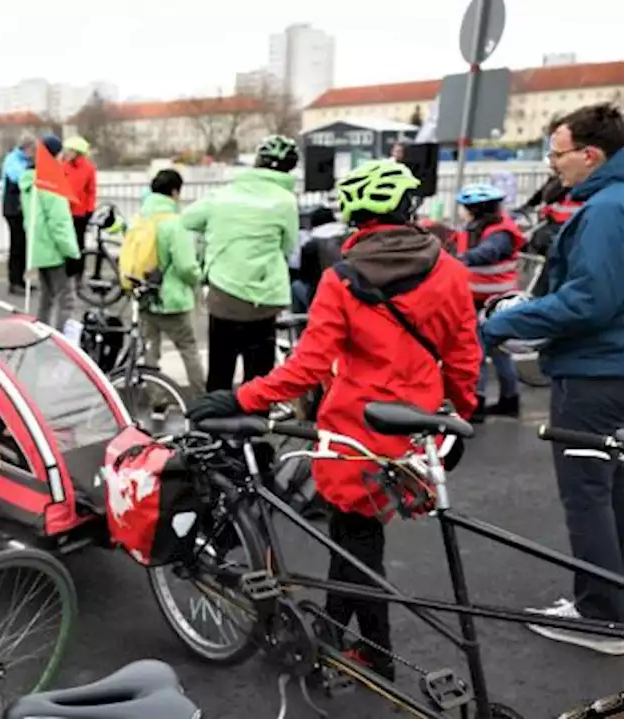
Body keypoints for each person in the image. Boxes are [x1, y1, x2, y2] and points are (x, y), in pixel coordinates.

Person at [188, 159, 481, 678]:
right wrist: (459, 419)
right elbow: (463, 360)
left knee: (357, 542)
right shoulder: (453, 273)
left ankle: (374, 654)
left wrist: (243, 398)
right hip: (417, 432)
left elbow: (308, 366)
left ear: (355, 217)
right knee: (358, 538)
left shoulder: (341, 280)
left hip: (355, 433)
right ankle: (340, 637)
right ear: (409, 211)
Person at [481, 103, 625, 654]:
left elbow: (591, 299)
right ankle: (611, 601)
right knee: (614, 492)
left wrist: (505, 322)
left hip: (595, 373)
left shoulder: (607, 209)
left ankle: (602, 618)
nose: (552, 162)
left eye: (557, 152)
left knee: (589, 496)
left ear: (591, 154)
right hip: (612, 367)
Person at [181, 135, 301, 391]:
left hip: (223, 295)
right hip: (263, 298)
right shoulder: (286, 201)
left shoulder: (222, 194)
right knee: (258, 380)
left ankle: (212, 426)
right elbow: (289, 246)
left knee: (220, 371)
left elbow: (187, 220)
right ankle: (254, 428)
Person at [452, 183, 527, 421]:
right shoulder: (474, 229)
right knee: (495, 352)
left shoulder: (499, 232)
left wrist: (457, 260)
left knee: (480, 352)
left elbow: (488, 253)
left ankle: (478, 404)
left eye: (465, 207)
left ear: (476, 209)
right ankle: (508, 400)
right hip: (475, 299)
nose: (462, 212)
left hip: (494, 303)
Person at [134, 170, 205, 391]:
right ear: (175, 192)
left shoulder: (139, 219)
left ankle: (156, 401)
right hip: (172, 298)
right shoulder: (174, 223)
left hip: (145, 294)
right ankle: (200, 399)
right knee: (188, 349)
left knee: (150, 350)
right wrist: (198, 277)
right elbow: (185, 266)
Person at [19, 135, 80, 331]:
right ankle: (61, 342)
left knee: (47, 297)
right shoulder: (51, 182)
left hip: (38, 248)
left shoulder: (30, 180)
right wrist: (72, 253)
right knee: (66, 299)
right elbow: (59, 222)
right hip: (55, 250)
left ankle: (41, 333)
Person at [293, 206, 348, 312]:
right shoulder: (348, 238)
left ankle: (300, 324)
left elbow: (304, 275)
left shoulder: (310, 245)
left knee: (296, 286)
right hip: (350, 294)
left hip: (320, 298)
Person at [1, 134, 37, 295]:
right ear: (26, 148)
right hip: (13, 209)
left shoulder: (26, 161)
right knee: (17, 245)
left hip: (22, 208)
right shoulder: (12, 160)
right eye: (33, 149)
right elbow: (19, 178)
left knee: (23, 245)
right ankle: (14, 281)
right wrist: (32, 169)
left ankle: (20, 279)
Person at [62, 136, 98, 274]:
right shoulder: (62, 166)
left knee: (79, 243)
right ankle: (67, 272)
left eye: (69, 151)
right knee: (66, 243)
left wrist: (90, 209)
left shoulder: (88, 168)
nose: (66, 153)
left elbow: (91, 191)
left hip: (80, 212)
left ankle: (78, 273)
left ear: (77, 152)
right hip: (64, 211)